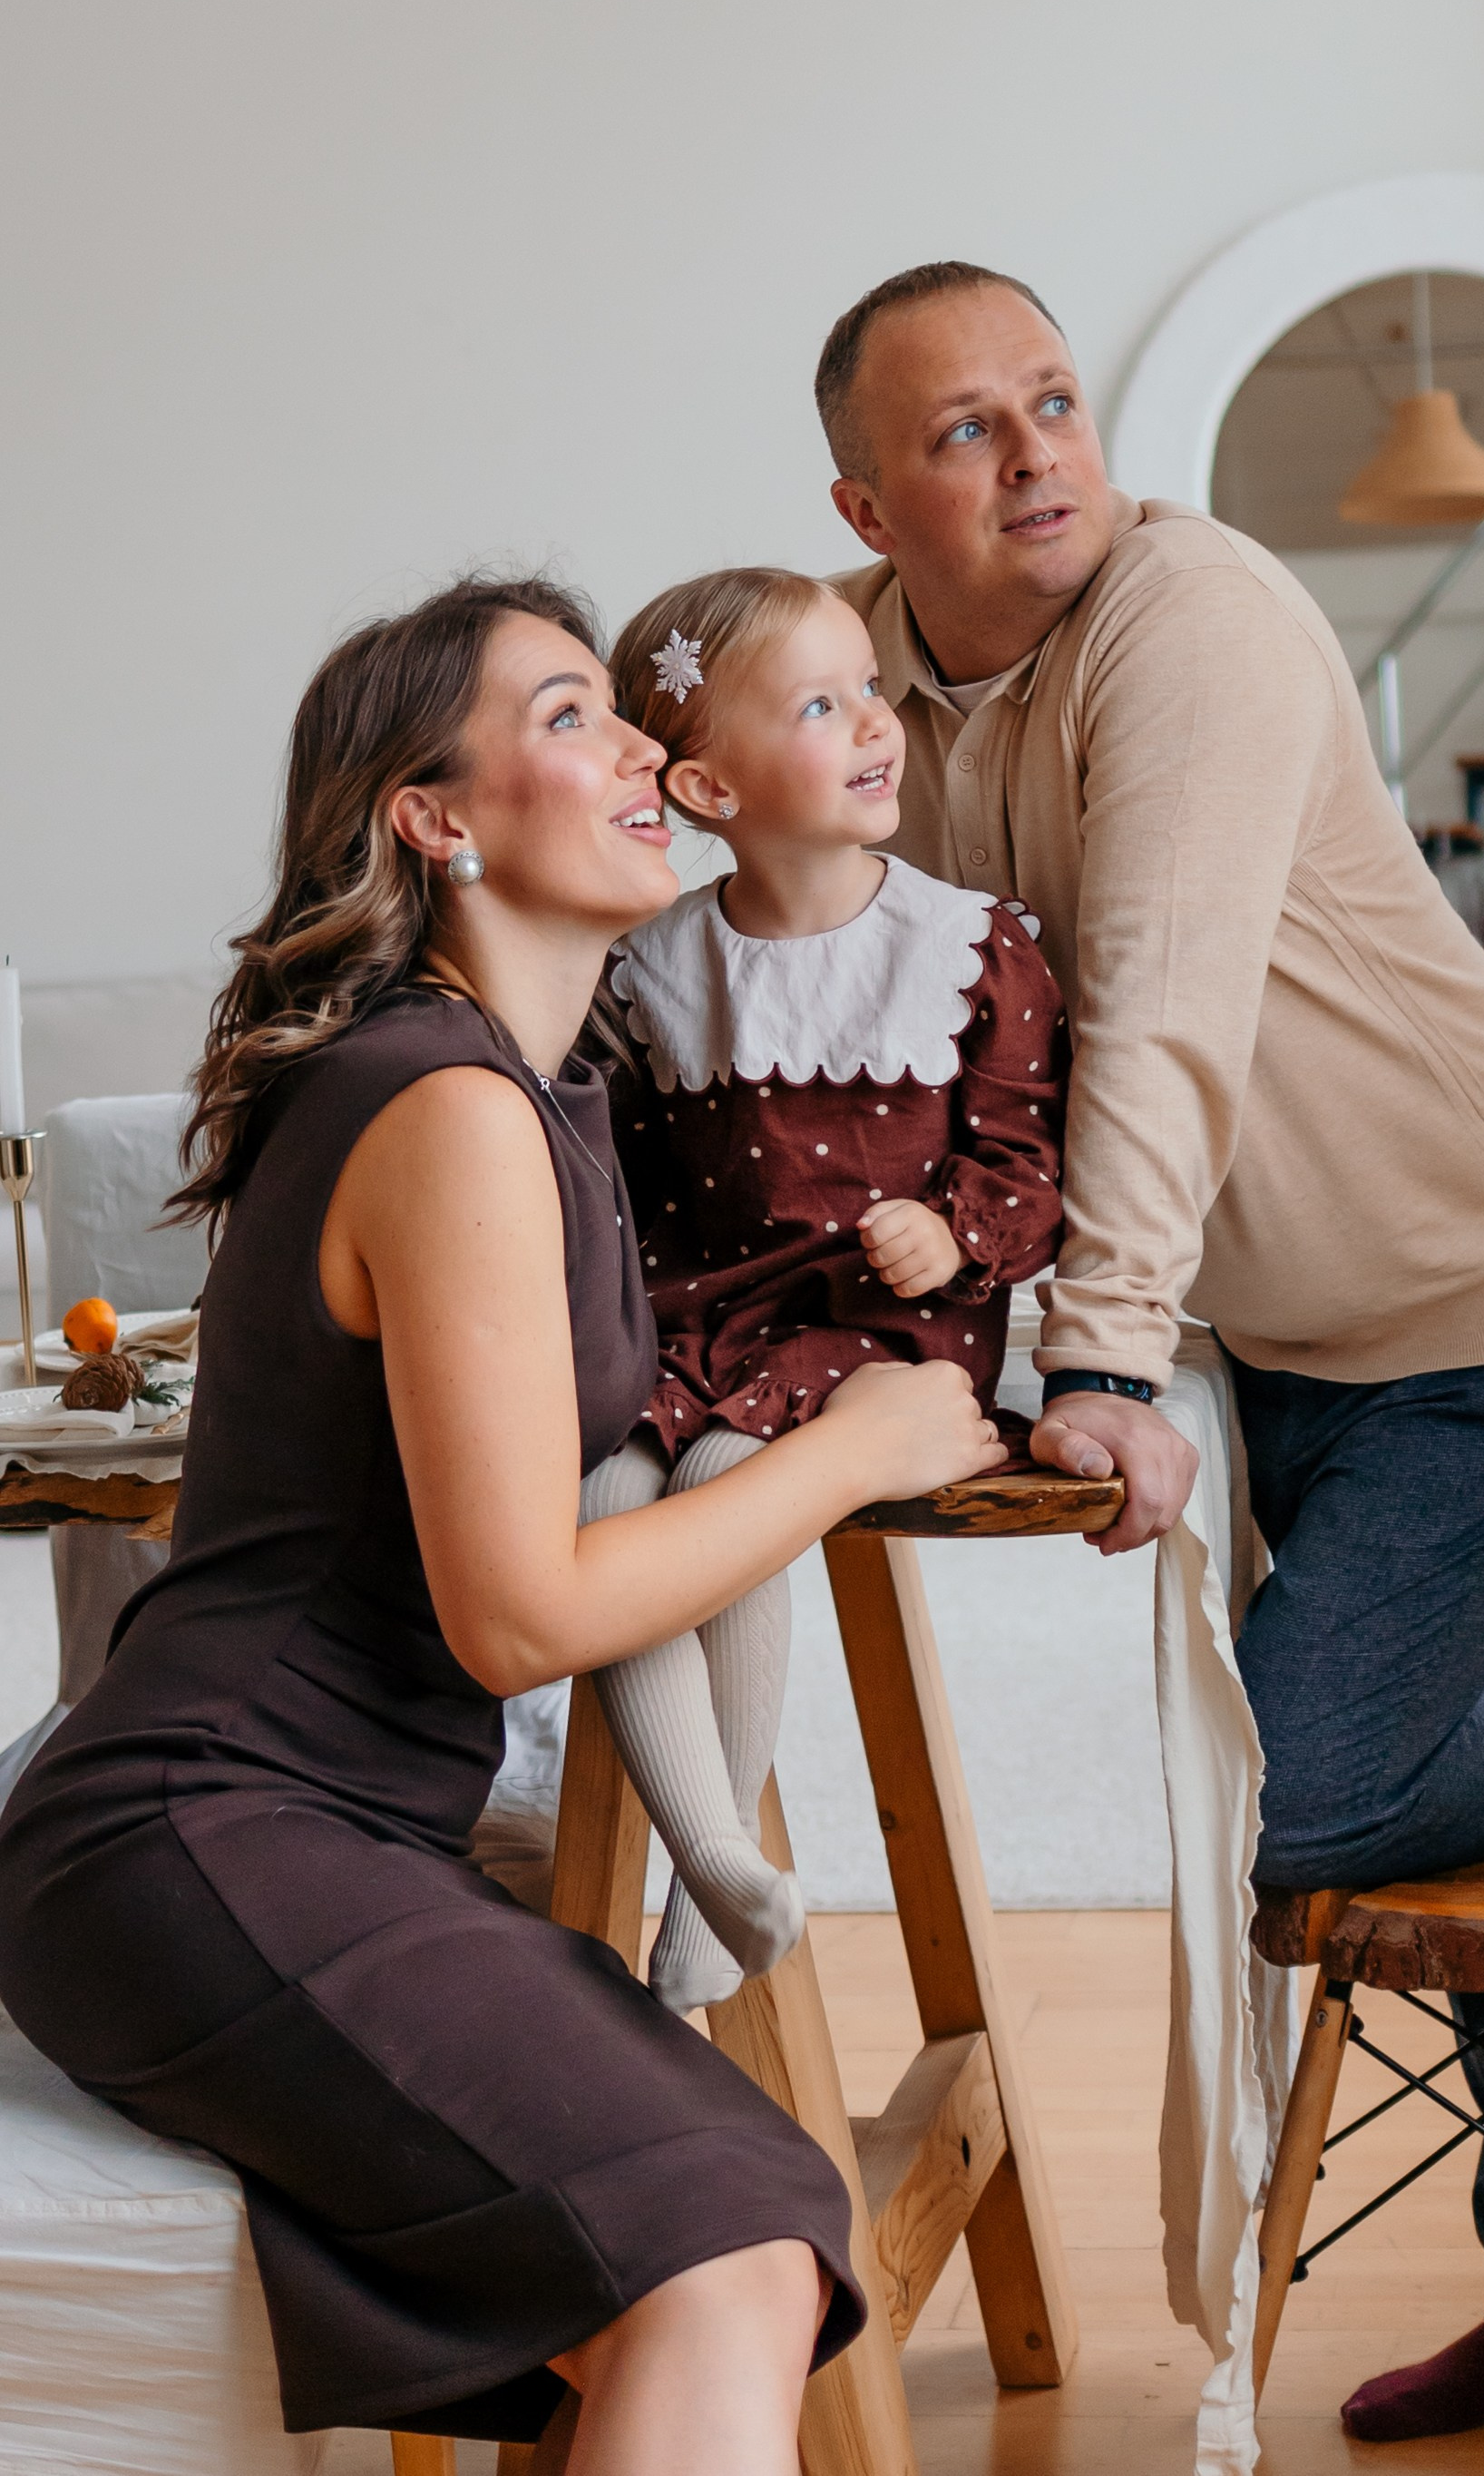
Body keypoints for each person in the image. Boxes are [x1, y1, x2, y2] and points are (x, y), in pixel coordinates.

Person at [814, 259, 1484, 2445]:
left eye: (1050, 399)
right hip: (1302, 1321)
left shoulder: (1187, 621)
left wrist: (1104, 1360)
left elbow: (1158, 1012)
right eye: (963, 429)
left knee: (1297, 1791)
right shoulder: (863, 686)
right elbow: (857, 1001)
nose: (1034, 453)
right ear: (863, 507)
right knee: (1436, 1790)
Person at [0, 576, 1006, 2473]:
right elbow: (520, 1616)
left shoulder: (538, 1099)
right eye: (567, 716)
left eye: (624, 711)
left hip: (312, 1834)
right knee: (728, 2244)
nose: (640, 747)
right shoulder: (442, 1106)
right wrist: (851, 1451)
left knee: (727, 2232)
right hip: (200, 1834)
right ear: (433, 818)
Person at [580, 565, 1064, 2014]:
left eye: (869, 687)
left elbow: (1031, 1163)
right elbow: (616, 1187)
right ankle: (718, 1854)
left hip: (880, 1334)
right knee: (600, 1499)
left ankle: (701, 1897)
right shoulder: (652, 965)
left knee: (723, 1477)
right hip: (702, 1320)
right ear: (708, 789)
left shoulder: (967, 944)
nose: (871, 721)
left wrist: (954, 1233)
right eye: (818, 704)